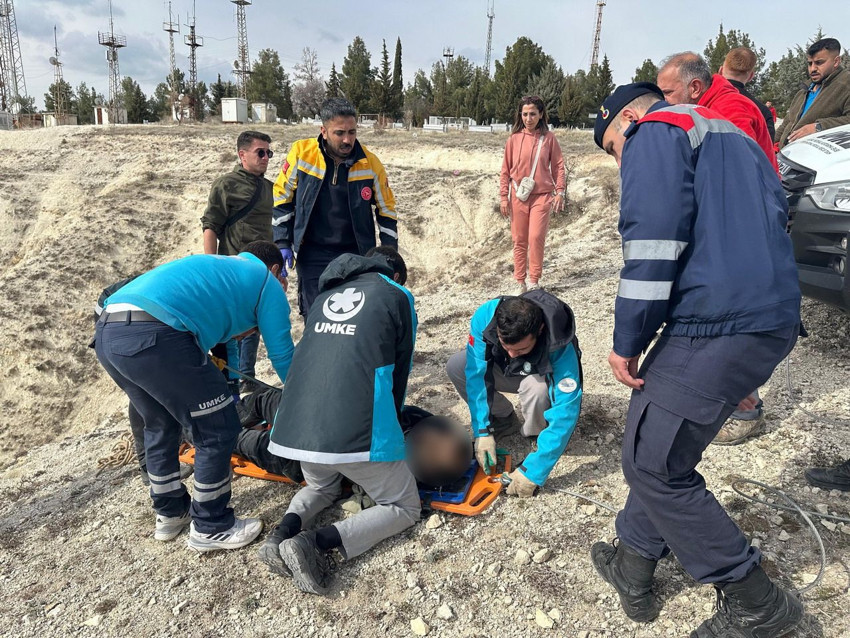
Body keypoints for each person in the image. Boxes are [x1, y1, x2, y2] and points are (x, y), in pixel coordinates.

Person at [592, 83, 802, 637]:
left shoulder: (657, 130)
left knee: (654, 461)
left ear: (630, 117)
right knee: (655, 439)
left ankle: (755, 601)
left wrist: (627, 337)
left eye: (613, 145)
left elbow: (653, 242)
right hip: (767, 313)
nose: (621, 158)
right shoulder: (734, 135)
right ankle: (634, 561)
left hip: (720, 319)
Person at [93, 241, 294, 553]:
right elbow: (283, 358)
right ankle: (212, 525)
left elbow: (219, 336)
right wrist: (304, 400)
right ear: (276, 269)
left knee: (159, 424)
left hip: (108, 331)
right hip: (156, 334)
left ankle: (171, 513)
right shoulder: (267, 284)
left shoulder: (224, 270)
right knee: (219, 427)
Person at [259, 249, 418, 595]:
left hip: (296, 425)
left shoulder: (325, 293)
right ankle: (317, 544)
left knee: (320, 487)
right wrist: (392, 431)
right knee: (404, 506)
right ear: (396, 275)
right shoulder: (396, 294)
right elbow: (398, 370)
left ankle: (281, 533)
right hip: (351, 429)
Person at [445, 290, 582, 497]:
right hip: (508, 370)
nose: (511, 353)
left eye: (520, 349)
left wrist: (535, 471)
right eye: (505, 346)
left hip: (538, 375)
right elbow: (476, 376)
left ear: (540, 330)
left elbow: (567, 407)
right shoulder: (485, 317)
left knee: (537, 389)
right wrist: (482, 430)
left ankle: (536, 432)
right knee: (458, 365)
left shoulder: (558, 340)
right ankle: (503, 419)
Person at [272, 97, 398, 316]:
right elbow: (282, 195)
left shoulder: (370, 163)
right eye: (340, 133)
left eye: (352, 132)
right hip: (312, 253)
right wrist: (282, 240)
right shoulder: (302, 154)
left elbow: (386, 211)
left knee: (353, 318)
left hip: (357, 255)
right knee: (314, 316)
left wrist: (389, 255)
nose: (347, 140)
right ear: (324, 130)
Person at [235, 389, 472, 490]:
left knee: (241, 439)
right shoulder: (410, 420)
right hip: (312, 421)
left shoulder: (390, 472)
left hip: (298, 456)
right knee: (267, 400)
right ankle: (231, 417)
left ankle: (210, 430)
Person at [201, 130, 278, 394]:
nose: (266, 157)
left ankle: (247, 378)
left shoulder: (270, 188)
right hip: (233, 266)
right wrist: (210, 266)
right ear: (242, 154)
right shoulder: (227, 184)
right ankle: (228, 381)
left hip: (263, 269)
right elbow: (211, 224)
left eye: (269, 152)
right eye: (260, 152)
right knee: (231, 327)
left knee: (254, 323)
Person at [657, 52, 778, 172]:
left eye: (668, 93)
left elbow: (737, 172)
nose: (663, 100)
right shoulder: (711, 106)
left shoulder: (730, 109)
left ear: (695, 88)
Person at [499, 95, 566, 293]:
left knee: (536, 237)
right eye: (525, 114)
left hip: (542, 195)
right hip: (518, 195)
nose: (529, 118)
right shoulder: (513, 139)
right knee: (519, 239)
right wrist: (504, 197)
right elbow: (505, 170)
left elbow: (558, 165)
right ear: (520, 115)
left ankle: (534, 279)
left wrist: (560, 191)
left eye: (533, 114)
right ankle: (520, 280)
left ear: (541, 114)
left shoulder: (549, 138)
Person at [775, 37, 850, 148]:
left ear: (836, 61)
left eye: (819, 63)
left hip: (816, 162)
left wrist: (818, 127)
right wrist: (765, 146)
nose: (812, 69)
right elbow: (787, 123)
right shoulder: (804, 90)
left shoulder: (845, 84)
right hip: (786, 158)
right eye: (810, 63)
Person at [720, 47, 776, 142]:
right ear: (751, 76)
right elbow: (765, 153)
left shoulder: (699, 100)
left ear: (720, 70)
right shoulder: (763, 112)